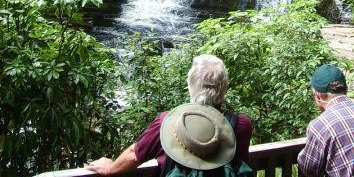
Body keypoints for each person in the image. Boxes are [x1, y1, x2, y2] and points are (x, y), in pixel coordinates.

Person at [87, 54, 253, 175]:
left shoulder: (167, 122)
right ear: (225, 89)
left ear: (190, 86)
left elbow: (134, 154)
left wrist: (110, 168)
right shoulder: (242, 125)